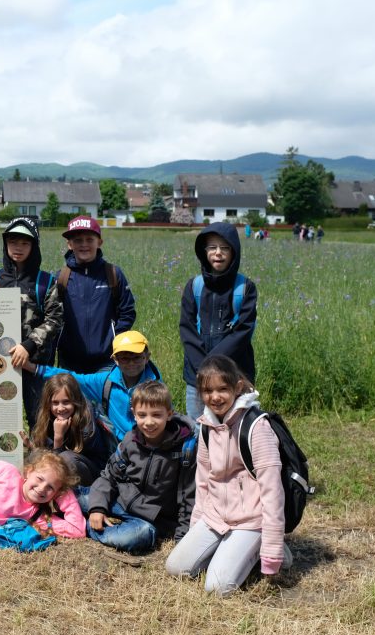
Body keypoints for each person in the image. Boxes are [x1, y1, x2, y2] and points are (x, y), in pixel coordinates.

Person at [165, 355, 287, 596]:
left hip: (251, 519)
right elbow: (202, 483)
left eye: (223, 389)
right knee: (176, 568)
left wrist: (272, 556)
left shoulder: (256, 427)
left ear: (237, 387)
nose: (215, 397)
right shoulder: (206, 427)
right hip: (217, 515)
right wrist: (195, 529)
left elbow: (273, 493)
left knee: (217, 588)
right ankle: (233, 551)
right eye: (208, 390)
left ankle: (269, 545)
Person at [80, 381, 197, 554]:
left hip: (149, 519)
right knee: (71, 497)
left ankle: (84, 527)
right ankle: (63, 512)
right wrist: (98, 508)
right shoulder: (130, 440)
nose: (149, 422)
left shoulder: (184, 449)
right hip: (119, 500)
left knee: (141, 536)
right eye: (142, 415)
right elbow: (109, 476)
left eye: (156, 415)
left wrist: (181, 538)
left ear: (169, 414)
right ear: (134, 414)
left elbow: (189, 496)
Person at [0, 216, 63, 429]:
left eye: (25, 243)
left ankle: (40, 458)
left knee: (39, 416)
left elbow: (55, 319)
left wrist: (28, 346)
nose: (18, 248)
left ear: (34, 246)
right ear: (5, 244)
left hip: (35, 364)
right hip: (0, 363)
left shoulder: (45, 281)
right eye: (13, 242)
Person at [24, 330, 162, 447]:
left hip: (148, 444)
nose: (131, 363)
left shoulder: (157, 388)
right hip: (117, 448)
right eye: (125, 358)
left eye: (137, 357)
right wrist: (34, 368)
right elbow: (72, 377)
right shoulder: (105, 382)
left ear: (147, 357)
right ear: (115, 360)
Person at [178, 222, 258, 419]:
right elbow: (187, 328)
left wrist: (213, 365)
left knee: (237, 424)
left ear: (234, 252)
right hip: (197, 373)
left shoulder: (246, 287)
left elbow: (243, 331)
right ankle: (204, 451)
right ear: (203, 251)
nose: (218, 253)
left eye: (225, 247)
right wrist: (203, 368)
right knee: (199, 424)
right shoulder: (193, 286)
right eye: (212, 247)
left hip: (235, 371)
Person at [56, 215, 136, 374]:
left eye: (89, 239)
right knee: (72, 400)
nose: (84, 245)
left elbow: (127, 312)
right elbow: (52, 315)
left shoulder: (113, 273)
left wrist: (114, 340)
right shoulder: (61, 277)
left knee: (104, 399)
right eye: (78, 240)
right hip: (70, 363)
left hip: (106, 362)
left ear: (99, 242)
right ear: (69, 244)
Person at [23, 373, 113, 486]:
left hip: (92, 473)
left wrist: (58, 438)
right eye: (55, 403)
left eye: (66, 402)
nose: (60, 408)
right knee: (34, 460)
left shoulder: (86, 425)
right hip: (63, 467)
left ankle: (76, 495)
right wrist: (34, 448)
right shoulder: (48, 419)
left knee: (66, 459)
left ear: (75, 401)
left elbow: (57, 463)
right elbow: (46, 455)